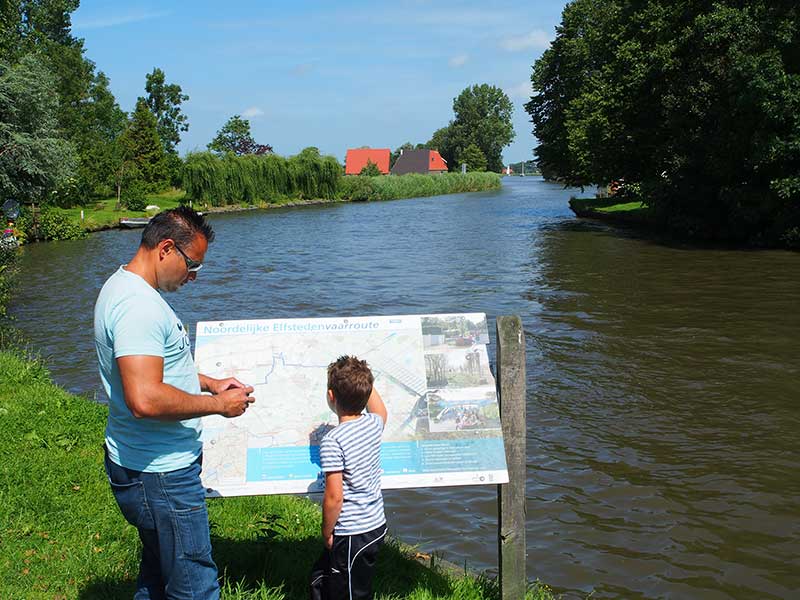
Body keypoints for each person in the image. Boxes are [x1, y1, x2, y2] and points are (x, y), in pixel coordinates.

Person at [94, 206, 255, 599]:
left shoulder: (124, 287)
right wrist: (218, 406)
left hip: (143, 465)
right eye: (193, 265)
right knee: (194, 585)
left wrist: (210, 383)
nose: (194, 277)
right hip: (161, 476)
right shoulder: (139, 308)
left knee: (157, 576)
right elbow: (145, 398)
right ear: (166, 249)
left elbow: (150, 370)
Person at [310, 356, 388, 600]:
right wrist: (363, 381)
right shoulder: (374, 424)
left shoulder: (333, 440)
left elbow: (334, 497)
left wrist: (326, 531)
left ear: (331, 396)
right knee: (323, 578)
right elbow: (380, 409)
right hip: (375, 523)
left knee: (352, 593)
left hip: (353, 531)